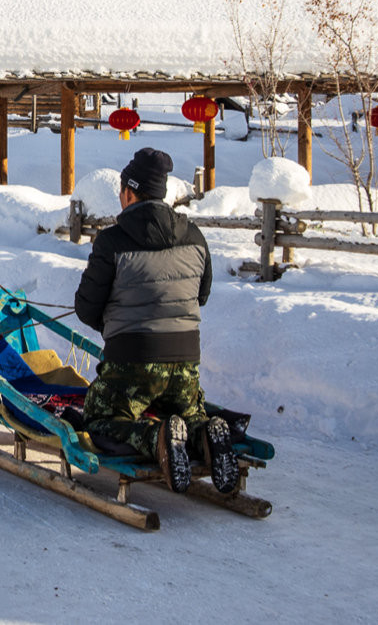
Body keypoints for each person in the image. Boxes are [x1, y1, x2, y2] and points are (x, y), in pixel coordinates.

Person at [73, 147, 237, 494]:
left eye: (121, 192)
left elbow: (86, 308)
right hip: (185, 364)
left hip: (132, 361)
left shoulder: (112, 241)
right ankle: (204, 433)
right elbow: (201, 296)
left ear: (129, 192)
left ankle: (156, 437)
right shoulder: (194, 236)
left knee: (100, 420)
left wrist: (117, 324)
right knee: (189, 411)